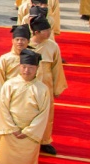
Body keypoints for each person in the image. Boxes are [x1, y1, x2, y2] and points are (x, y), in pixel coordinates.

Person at [0, 48, 52, 164]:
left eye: (31, 68)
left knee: (27, 161)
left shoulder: (42, 89)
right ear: (20, 66)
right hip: (10, 130)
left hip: (30, 133)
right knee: (6, 160)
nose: (27, 70)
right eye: (24, 67)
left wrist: (29, 130)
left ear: (36, 69)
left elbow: (44, 113)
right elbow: (3, 107)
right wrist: (12, 128)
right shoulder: (9, 85)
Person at [28, 16, 67, 155]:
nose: (49, 32)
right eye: (46, 30)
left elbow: (57, 67)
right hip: (28, 86)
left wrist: (57, 87)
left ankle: (45, 140)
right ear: (36, 32)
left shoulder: (52, 46)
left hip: (46, 85)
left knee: (47, 113)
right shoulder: (26, 44)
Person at [0, 24, 31, 106]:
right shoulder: (5, 58)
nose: (20, 42)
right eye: (17, 39)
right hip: (9, 95)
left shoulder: (32, 58)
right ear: (12, 41)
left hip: (27, 96)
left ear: (28, 41)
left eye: (23, 40)